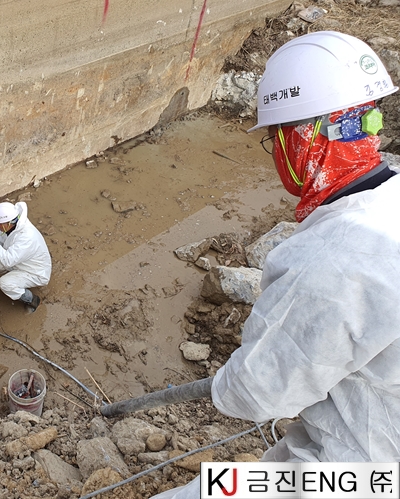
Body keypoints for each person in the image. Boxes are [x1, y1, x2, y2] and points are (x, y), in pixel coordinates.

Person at [152, 31, 400, 498]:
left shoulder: (330, 259)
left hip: (360, 473)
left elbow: (259, 393)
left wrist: (228, 384)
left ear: (300, 139)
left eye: (273, 138)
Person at [0, 201, 51, 312]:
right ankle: (15, 278)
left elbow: (8, 261)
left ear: (9, 222)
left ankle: (33, 300)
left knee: (5, 283)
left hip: (36, 272)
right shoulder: (11, 226)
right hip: (22, 263)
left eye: (0, 224)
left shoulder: (27, 237)